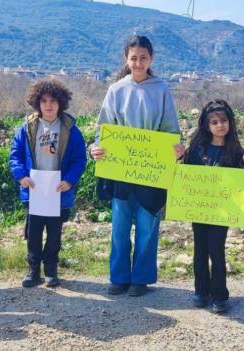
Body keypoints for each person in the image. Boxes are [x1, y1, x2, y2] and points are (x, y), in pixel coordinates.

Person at [90, 35, 182, 297]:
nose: (138, 62)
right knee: (119, 227)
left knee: (147, 227)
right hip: (121, 171)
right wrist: (96, 148)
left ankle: (140, 279)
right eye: (133, 58)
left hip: (151, 171)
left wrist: (175, 148)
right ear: (126, 59)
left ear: (150, 58)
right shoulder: (116, 90)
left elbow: (170, 129)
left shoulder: (162, 89)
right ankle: (118, 278)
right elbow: (103, 129)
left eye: (143, 58)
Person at [9, 78, 86, 288]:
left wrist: (70, 180)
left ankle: (51, 270)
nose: (48, 105)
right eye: (44, 101)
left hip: (58, 194)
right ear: (37, 103)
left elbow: (80, 159)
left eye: (53, 100)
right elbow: (15, 155)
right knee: (33, 234)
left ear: (60, 103)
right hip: (34, 192)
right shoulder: (27, 129)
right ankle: (33, 271)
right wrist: (21, 175)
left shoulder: (71, 130)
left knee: (54, 235)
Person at [182, 99, 244, 314]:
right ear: (207, 126)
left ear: (230, 123)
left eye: (224, 121)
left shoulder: (236, 152)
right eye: (215, 122)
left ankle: (220, 295)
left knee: (216, 251)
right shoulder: (197, 149)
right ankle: (201, 291)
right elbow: (186, 175)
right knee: (200, 250)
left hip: (222, 212)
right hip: (199, 210)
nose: (220, 125)